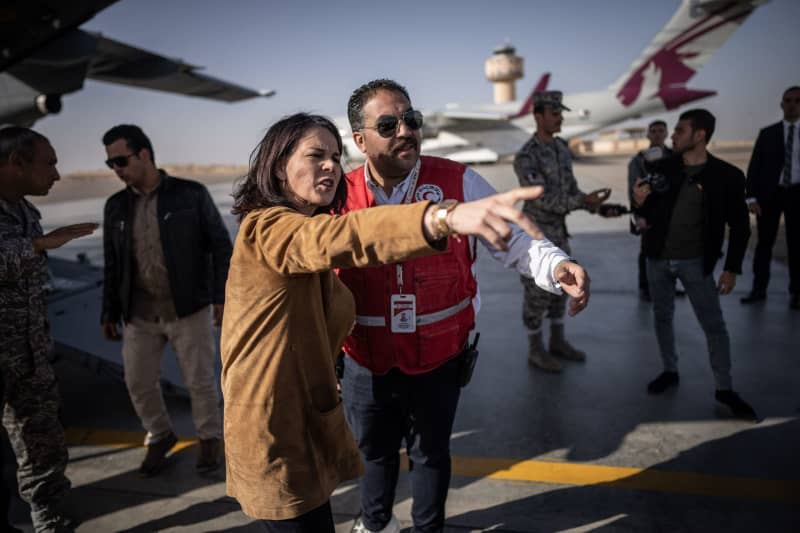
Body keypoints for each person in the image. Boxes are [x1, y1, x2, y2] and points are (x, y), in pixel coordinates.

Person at [220, 112, 558, 532]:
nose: (329, 165)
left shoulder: (308, 221)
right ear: (277, 166)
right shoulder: (268, 228)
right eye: (315, 155)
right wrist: (439, 218)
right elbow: (344, 237)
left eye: (333, 155)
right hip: (273, 429)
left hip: (305, 422)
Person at [338, 80, 589, 533]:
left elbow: (512, 238)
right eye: (388, 124)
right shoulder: (338, 195)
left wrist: (555, 265)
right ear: (359, 141)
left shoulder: (457, 179)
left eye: (411, 120)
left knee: (431, 453)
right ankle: (374, 525)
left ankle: (428, 528)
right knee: (373, 452)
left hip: (439, 357)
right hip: (364, 361)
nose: (405, 131)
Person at [100, 124, 232, 476]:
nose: (116, 169)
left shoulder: (190, 194)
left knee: (200, 380)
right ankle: (159, 434)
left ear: (144, 154)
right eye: (110, 163)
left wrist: (221, 296)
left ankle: (209, 439)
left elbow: (221, 245)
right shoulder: (116, 206)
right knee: (138, 381)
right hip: (139, 314)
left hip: (188, 308)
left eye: (121, 160)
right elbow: (112, 262)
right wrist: (109, 311)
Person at [1, 126, 97, 532]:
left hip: (30, 356)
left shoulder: (25, 211)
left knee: (43, 447)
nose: (57, 175)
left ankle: (51, 521)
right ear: (15, 163)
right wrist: (38, 246)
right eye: (50, 164)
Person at [632, 109, 756, 419]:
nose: (672, 135)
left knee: (713, 325)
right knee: (662, 316)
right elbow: (644, 207)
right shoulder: (663, 167)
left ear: (700, 135)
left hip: (696, 263)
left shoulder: (727, 176)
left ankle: (724, 389)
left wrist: (731, 268)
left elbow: (740, 226)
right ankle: (669, 370)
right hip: (657, 258)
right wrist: (638, 200)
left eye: (680, 130)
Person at [513, 90, 614, 373]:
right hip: (536, 238)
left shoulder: (561, 149)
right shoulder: (526, 157)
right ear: (538, 116)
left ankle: (557, 342)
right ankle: (536, 350)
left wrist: (594, 205)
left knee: (560, 289)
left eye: (561, 113)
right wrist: (583, 202)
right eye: (555, 113)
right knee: (536, 297)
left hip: (560, 234)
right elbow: (541, 199)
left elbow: (571, 189)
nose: (560, 118)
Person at [741, 86, 800, 309]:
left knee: (797, 245)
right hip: (770, 195)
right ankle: (758, 290)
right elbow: (754, 167)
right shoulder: (768, 133)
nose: (792, 104)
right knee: (764, 244)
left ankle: (797, 293)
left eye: (797, 100)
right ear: (781, 104)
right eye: (788, 100)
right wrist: (750, 198)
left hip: (797, 194)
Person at [628, 120, 673, 301]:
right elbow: (633, 187)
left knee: (671, 251)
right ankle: (645, 287)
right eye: (653, 131)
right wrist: (637, 214)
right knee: (647, 251)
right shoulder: (639, 160)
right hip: (648, 213)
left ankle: (669, 286)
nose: (656, 134)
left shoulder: (674, 157)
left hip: (670, 212)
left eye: (660, 131)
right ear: (648, 135)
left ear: (666, 133)